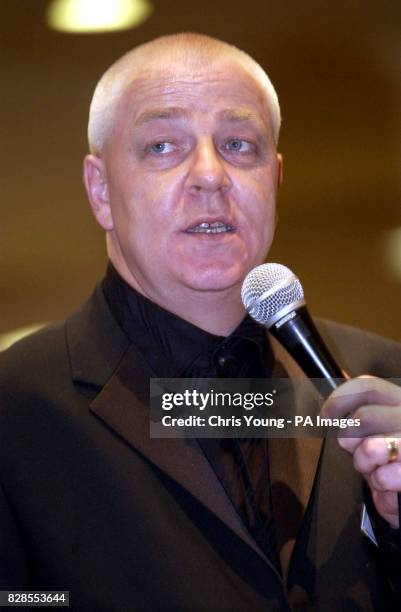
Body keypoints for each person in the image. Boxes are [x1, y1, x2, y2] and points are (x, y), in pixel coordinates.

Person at [1, 32, 401, 610]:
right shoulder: (17, 410)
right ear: (100, 190)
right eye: (163, 146)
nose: (211, 175)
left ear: (276, 179)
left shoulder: (386, 382)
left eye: (240, 144)